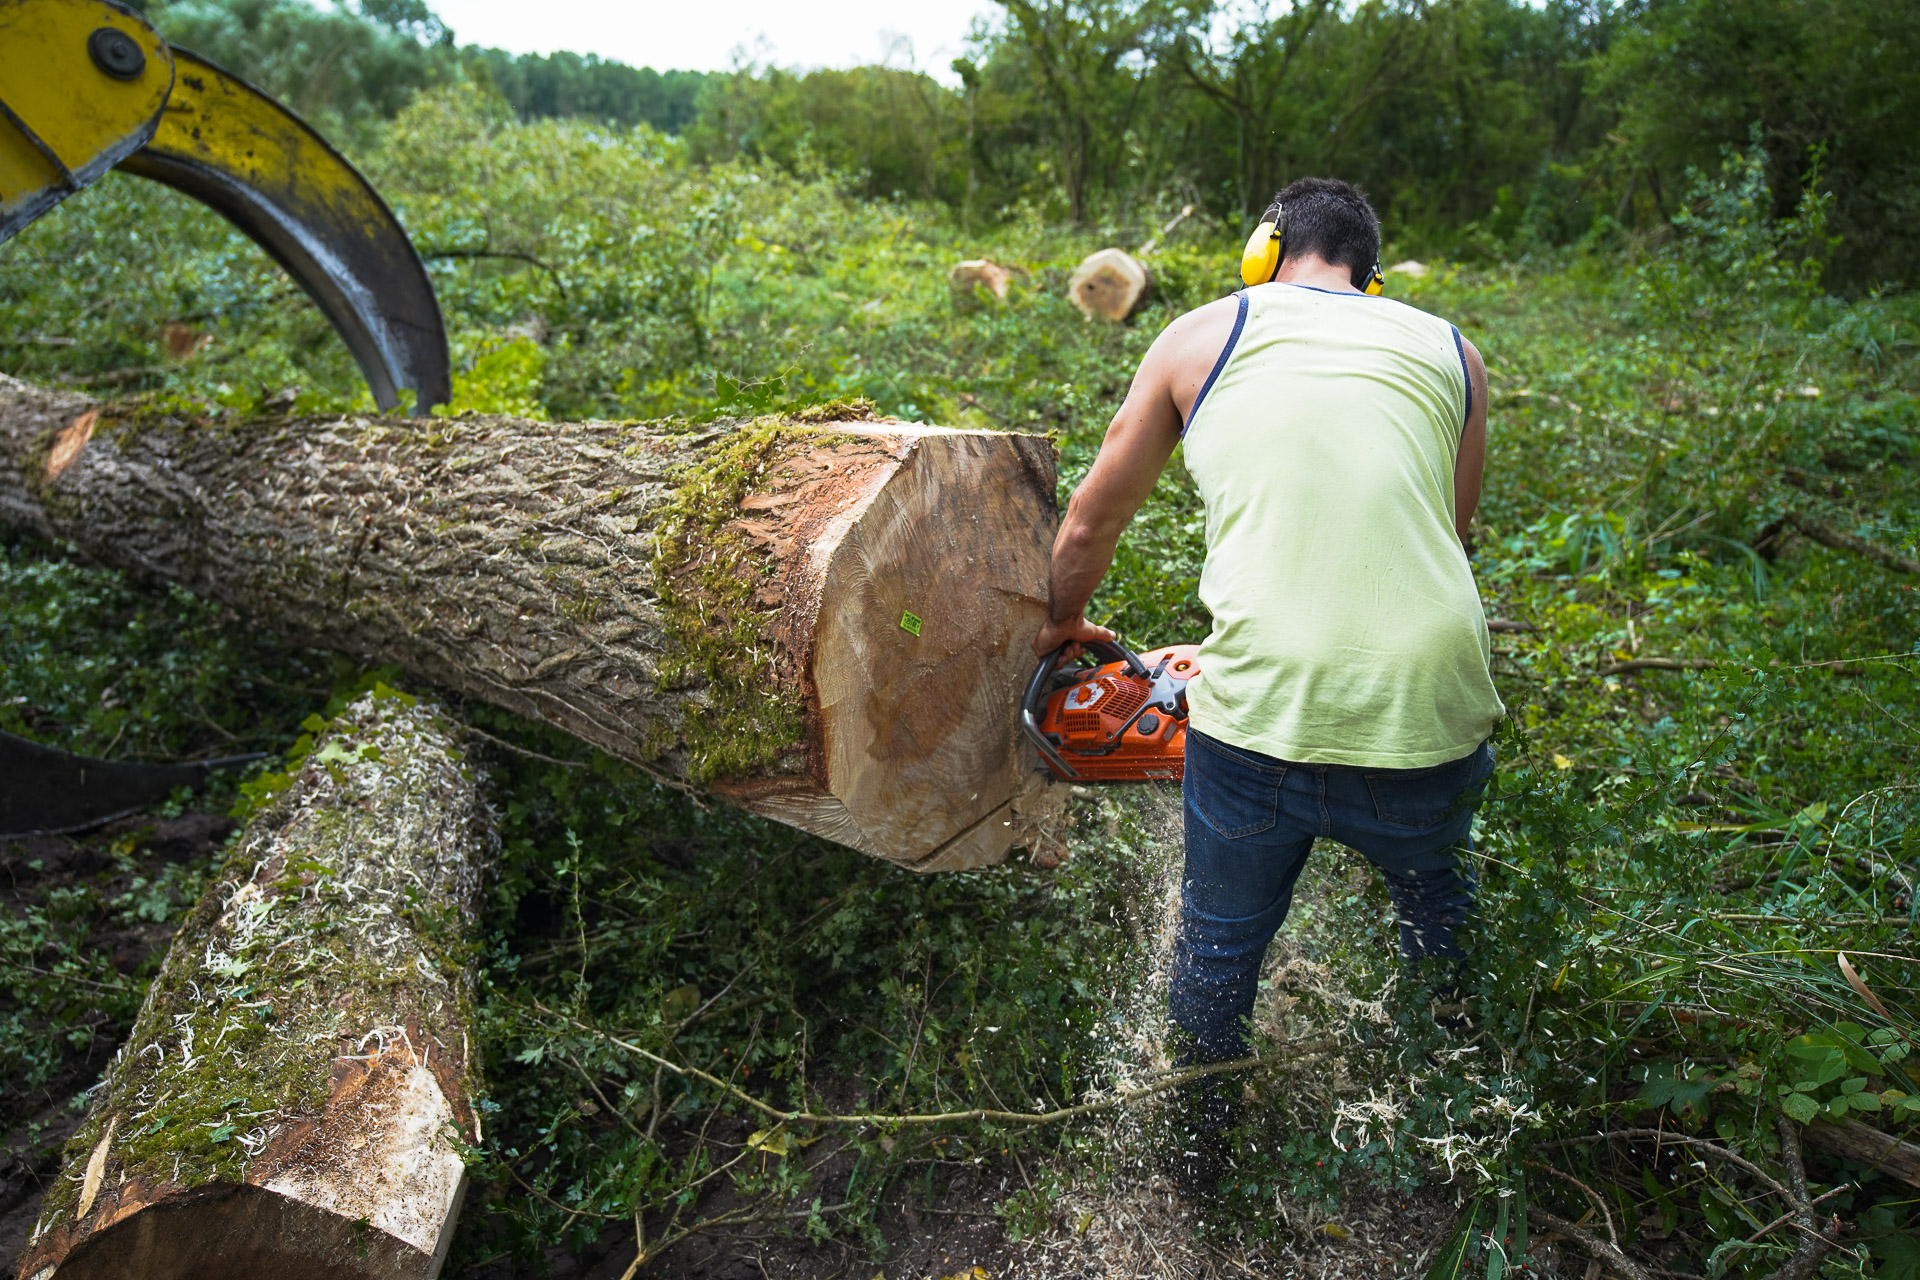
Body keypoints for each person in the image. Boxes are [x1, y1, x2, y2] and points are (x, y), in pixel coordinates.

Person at [1030, 177, 1504, 1193]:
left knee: (1215, 950)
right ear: (1371, 277)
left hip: (1260, 733)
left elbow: (1089, 521)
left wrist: (1063, 618)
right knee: (1438, 915)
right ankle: (1465, 1121)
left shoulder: (1201, 334)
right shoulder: (1455, 353)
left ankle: (1199, 1158)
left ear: (1264, 247)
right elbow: (1453, 538)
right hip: (1430, 705)